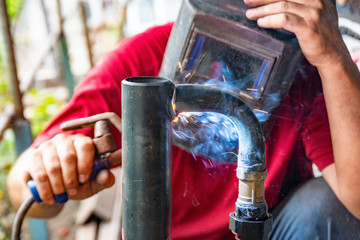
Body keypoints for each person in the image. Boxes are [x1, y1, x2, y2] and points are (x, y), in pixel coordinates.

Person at [7, 0, 360, 239]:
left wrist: (333, 60)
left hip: (266, 231)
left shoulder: (303, 71)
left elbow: (357, 200)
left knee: (323, 207)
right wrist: (54, 167)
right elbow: (22, 188)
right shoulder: (142, 60)